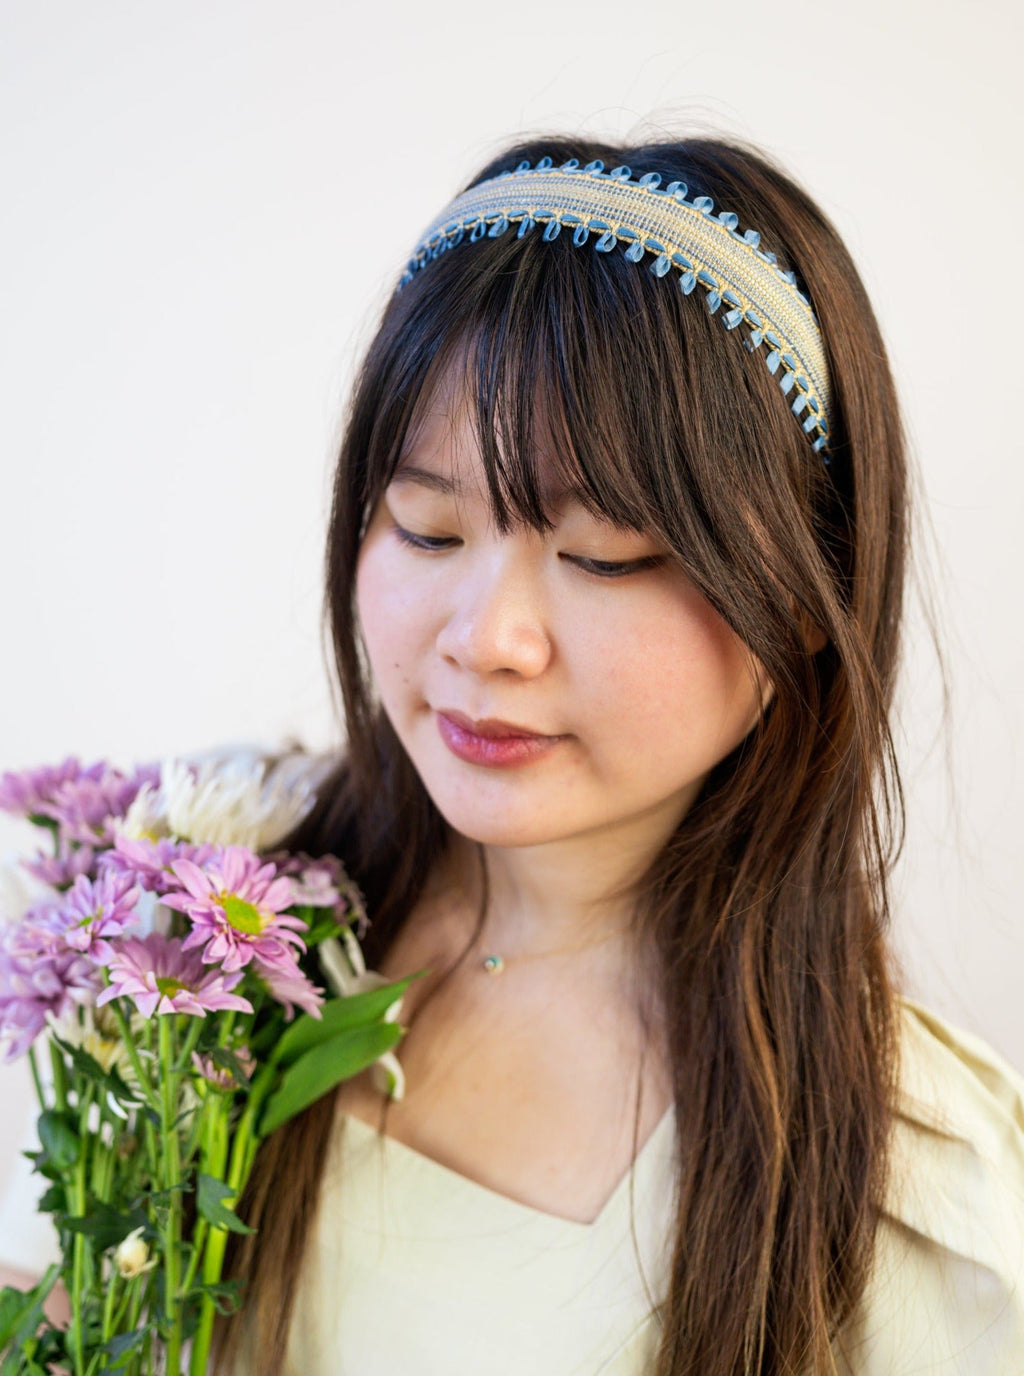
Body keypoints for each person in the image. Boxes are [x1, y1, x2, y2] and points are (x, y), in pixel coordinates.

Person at [12, 131, 1024, 1374]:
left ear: (803, 606)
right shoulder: (219, 898)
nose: (487, 639)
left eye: (602, 557)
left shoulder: (902, 1190)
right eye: (427, 529)